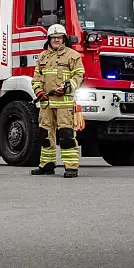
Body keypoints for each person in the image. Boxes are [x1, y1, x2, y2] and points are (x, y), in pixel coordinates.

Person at [30, 24, 85, 178]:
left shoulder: (73, 55)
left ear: (64, 38)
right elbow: (36, 78)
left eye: (59, 37)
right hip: (46, 104)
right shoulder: (42, 56)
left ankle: (71, 168)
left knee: (66, 136)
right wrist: (38, 91)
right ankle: (47, 165)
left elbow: (79, 76)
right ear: (49, 39)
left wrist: (67, 87)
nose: (56, 40)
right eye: (53, 37)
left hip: (64, 104)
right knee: (45, 135)